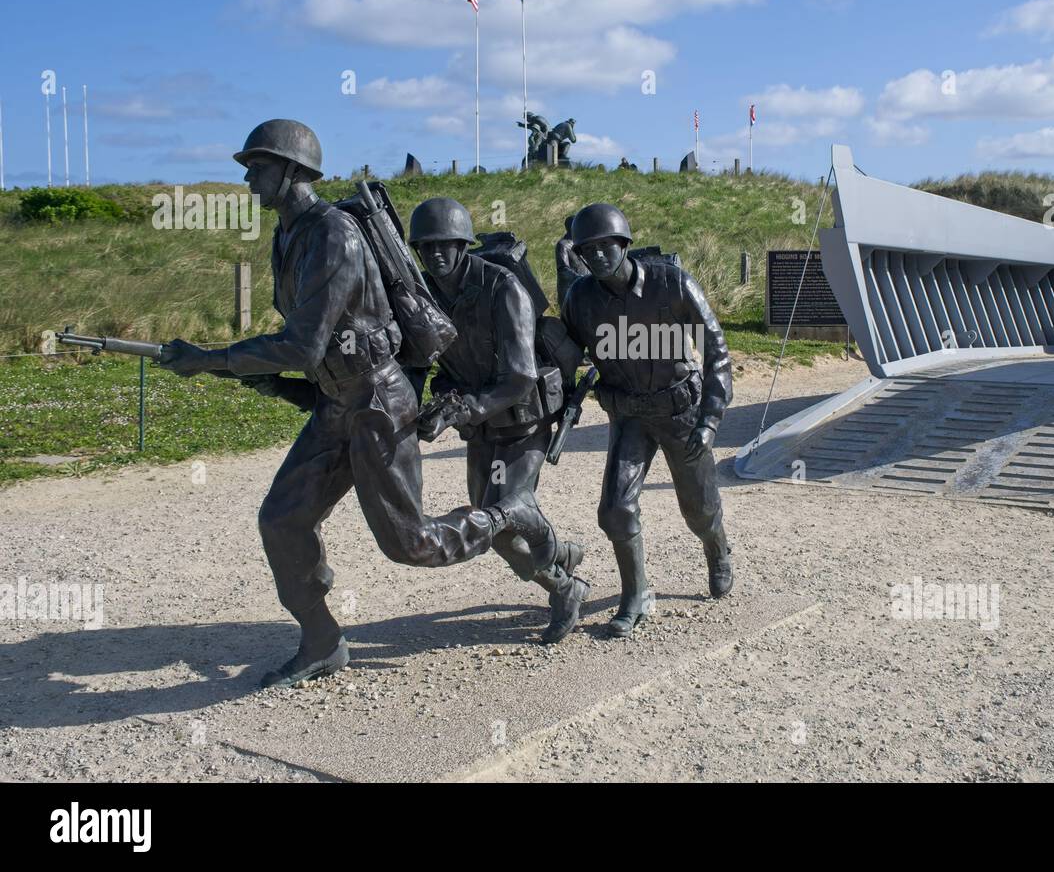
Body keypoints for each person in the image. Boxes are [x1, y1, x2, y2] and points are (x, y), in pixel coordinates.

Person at [158, 120, 555, 687]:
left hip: (377, 402)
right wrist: (268, 377)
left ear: (294, 171)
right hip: (336, 401)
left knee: (411, 544)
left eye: (258, 167)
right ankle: (322, 640)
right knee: (282, 518)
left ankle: (504, 513)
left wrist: (212, 357)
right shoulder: (287, 234)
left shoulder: (333, 235)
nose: (247, 178)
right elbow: (308, 340)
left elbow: (301, 343)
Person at [405, 198, 588, 644]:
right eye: (426, 248)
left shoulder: (502, 287)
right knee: (491, 524)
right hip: (482, 429)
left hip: (524, 424)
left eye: (446, 245)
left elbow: (521, 375)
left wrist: (461, 408)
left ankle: (567, 590)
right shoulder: (424, 294)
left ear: (464, 244)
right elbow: (417, 359)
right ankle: (560, 551)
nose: (436, 255)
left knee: (498, 523)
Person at [559, 203, 735, 637]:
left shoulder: (670, 283)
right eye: (589, 250)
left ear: (624, 244)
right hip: (629, 417)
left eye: (606, 246)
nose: (598, 256)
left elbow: (717, 353)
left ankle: (717, 548)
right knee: (615, 509)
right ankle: (636, 594)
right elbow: (566, 360)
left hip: (682, 413)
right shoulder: (580, 300)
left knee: (698, 509)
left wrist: (709, 420)